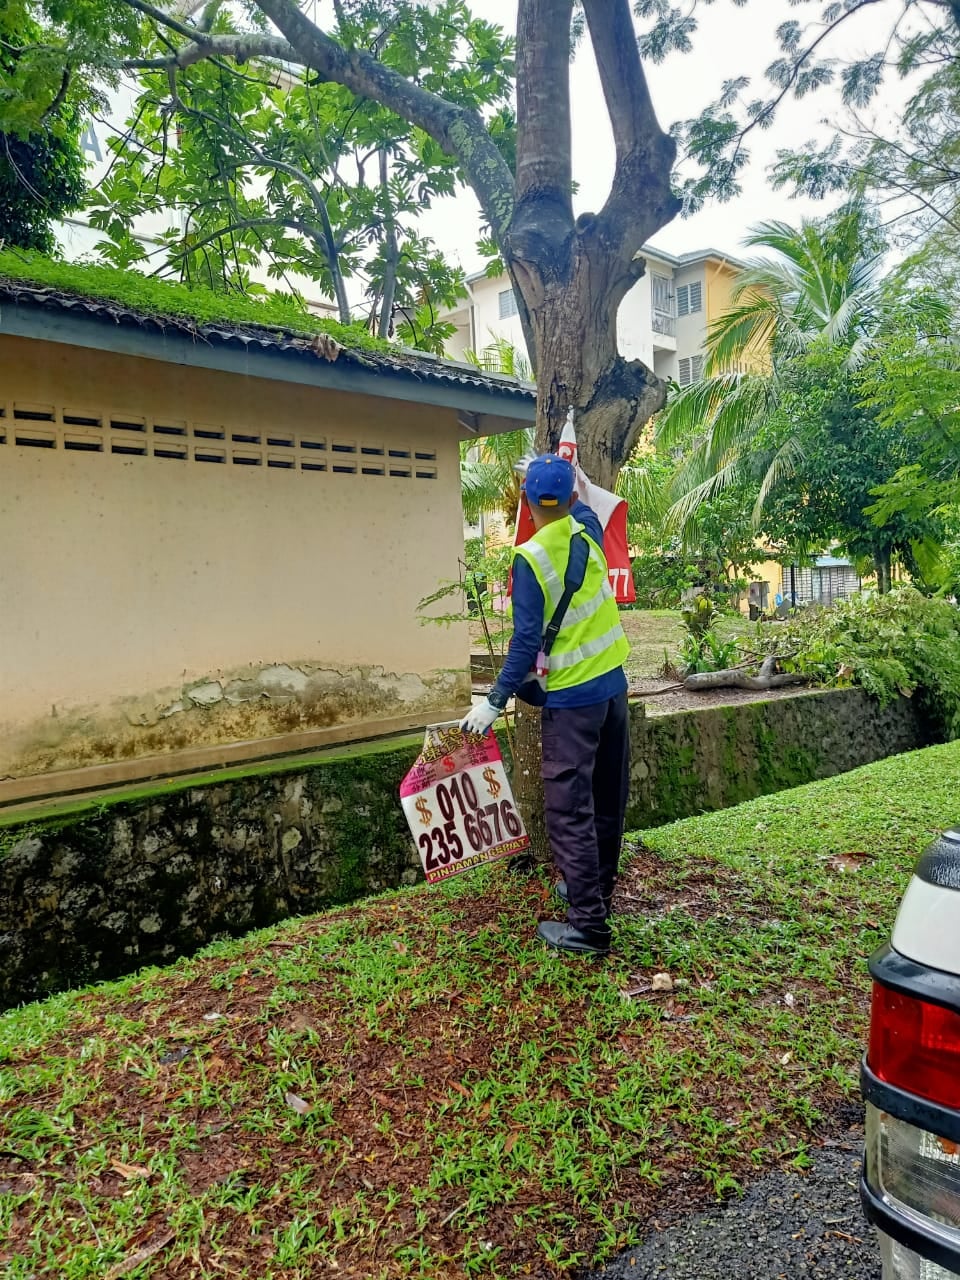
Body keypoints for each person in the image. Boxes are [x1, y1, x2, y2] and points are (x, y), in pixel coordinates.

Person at [460, 453, 630, 957]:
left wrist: (493, 701)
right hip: (614, 689)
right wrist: (568, 474)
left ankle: (589, 928)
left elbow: (525, 640)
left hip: (573, 703)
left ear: (527, 503)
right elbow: (587, 508)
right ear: (573, 498)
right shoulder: (588, 533)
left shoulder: (530, 557)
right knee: (605, 799)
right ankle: (594, 891)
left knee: (569, 812)